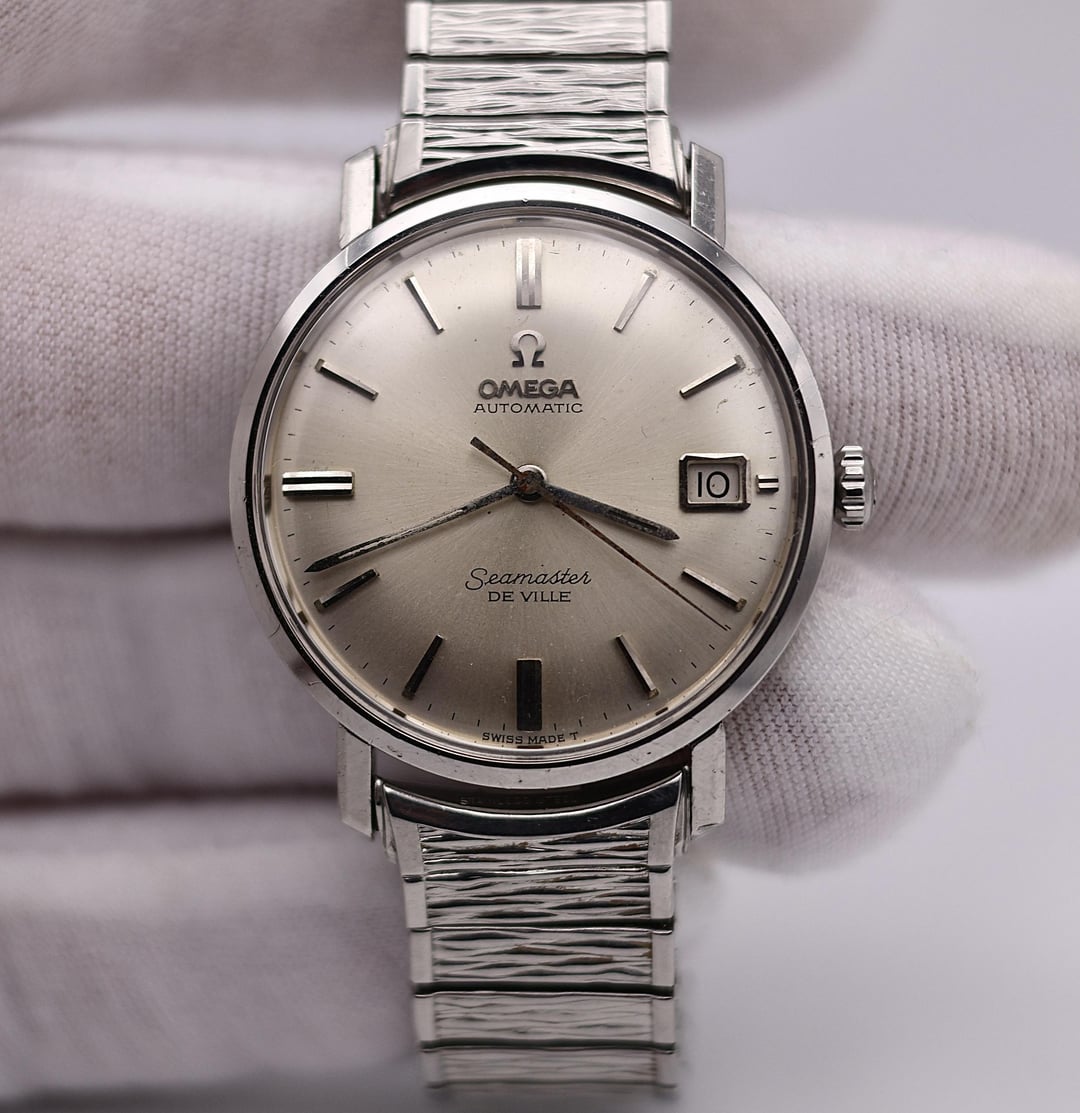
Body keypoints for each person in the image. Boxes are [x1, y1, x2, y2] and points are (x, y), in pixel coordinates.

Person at [1, 0, 1078, 1102]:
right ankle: (546, 1039)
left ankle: (555, 1038)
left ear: (828, 482)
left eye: (538, 481)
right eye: (519, 480)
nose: (529, 477)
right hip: (461, 714)